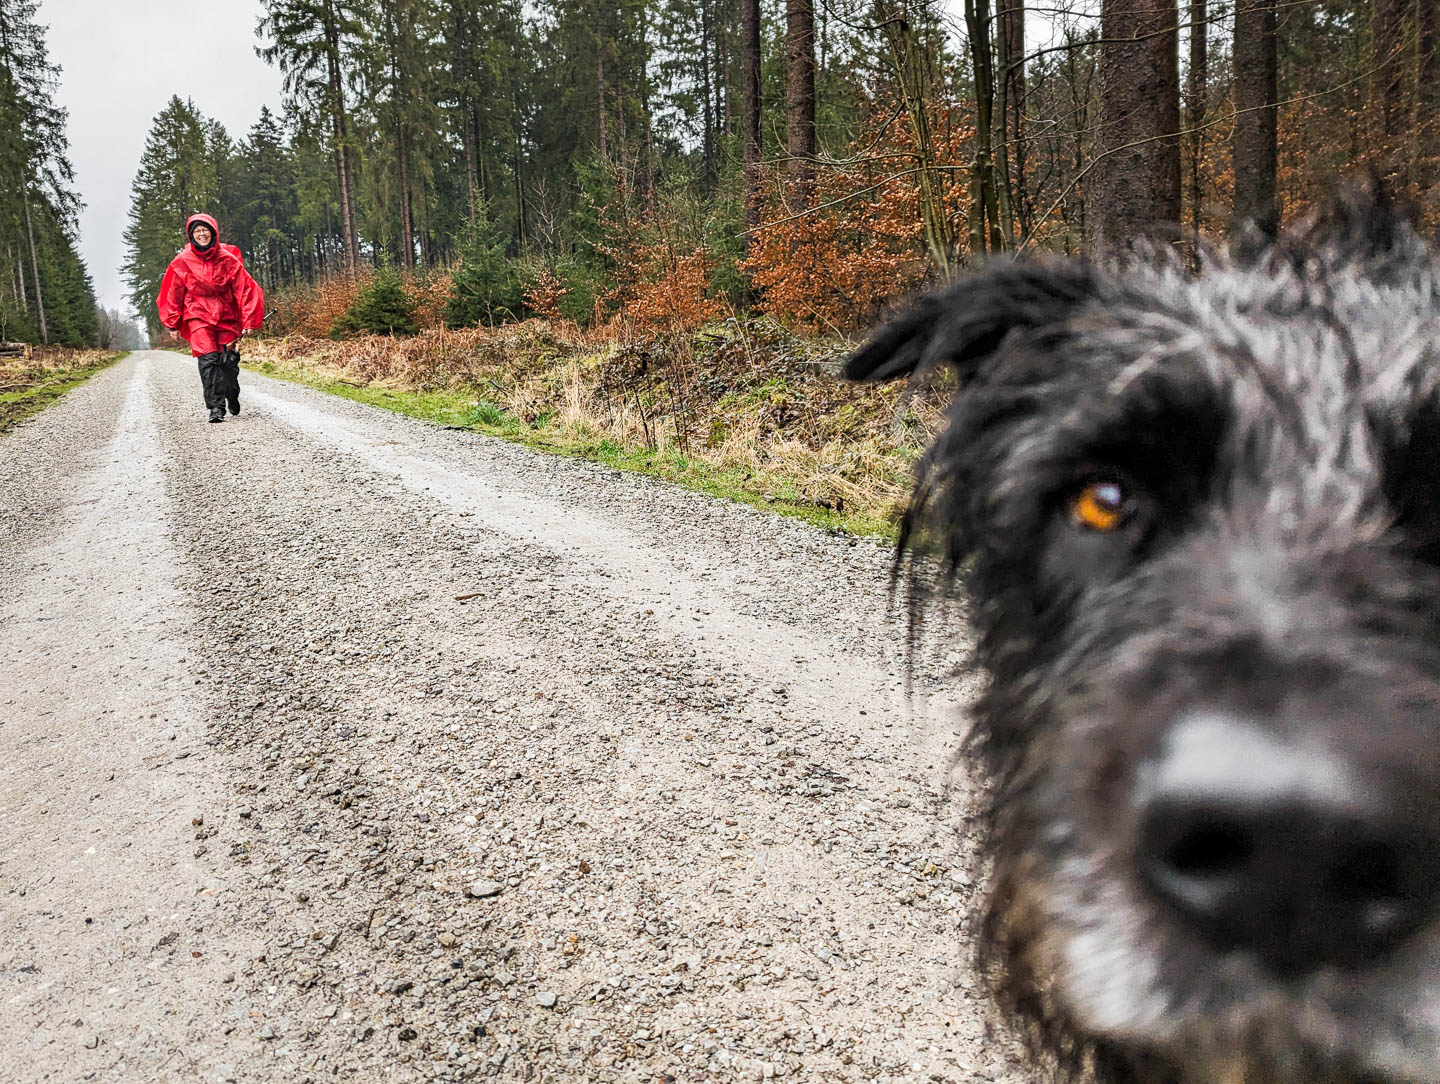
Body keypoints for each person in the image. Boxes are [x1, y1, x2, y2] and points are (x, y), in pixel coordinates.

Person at [156, 213, 265, 422]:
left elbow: (246, 289)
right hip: (197, 315)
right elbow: (173, 292)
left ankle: (232, 394)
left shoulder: (228, 258)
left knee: (227, 363)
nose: (201, 234)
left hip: (227, 315)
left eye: (205, 229)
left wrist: (250, 318)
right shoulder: (181, 262)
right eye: (197, 231)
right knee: (208, 360)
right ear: (191, 235)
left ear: (213, 232)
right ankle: (216, 408)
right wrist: (172, 322)